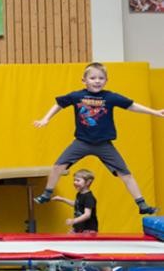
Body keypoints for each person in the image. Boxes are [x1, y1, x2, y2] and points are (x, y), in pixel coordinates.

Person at [33, 62, 162, 214]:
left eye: (101, 78)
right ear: (84, 80)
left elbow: (132, 105)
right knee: (57, 167)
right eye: (93, 78)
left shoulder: (110, 97)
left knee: (125, 174)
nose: (97, 81)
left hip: (104, 145)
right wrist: (45, 118)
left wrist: (154, 112)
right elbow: (59, 104)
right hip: (81, 142)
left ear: (106, 81)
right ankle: (47, 194)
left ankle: (142, 204)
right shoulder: (77, 96)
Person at [51, 169, 98, 233]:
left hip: (87, 229)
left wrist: (74, 221)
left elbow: (87, 215)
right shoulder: (79, 194)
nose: (75, 182)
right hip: (79, 227)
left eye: (78, 180)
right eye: (74, 180)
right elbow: (77, 204)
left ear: (88, 182)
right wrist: (62, 199)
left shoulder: (89, 197)